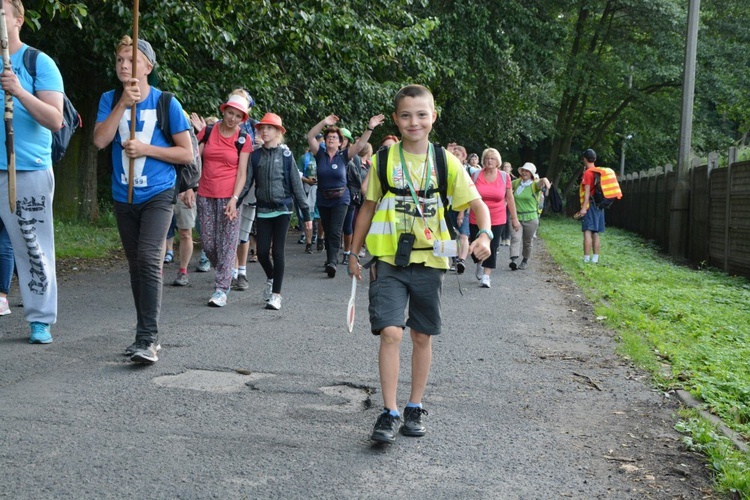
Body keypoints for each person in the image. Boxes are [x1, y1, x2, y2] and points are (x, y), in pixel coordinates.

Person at [347, 84, 492, 444]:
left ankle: (414, 405)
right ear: (396, 119)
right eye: (407, 115)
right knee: (392, 331)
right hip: (389, 260)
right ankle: (390, 410)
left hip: (430, 261)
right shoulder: (383, 160)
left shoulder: (447, 162)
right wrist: (353, 252)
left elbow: (477, 206)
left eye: (422, 114)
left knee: (422, 335)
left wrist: (485, 234)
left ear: (433, 117)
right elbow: (366, 208)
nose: (415, 122)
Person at [94, 36, 193, 363]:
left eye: (131, 60)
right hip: (124, 194)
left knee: (150, 258)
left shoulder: (167, 103)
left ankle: (148, 340)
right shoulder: (110, 99)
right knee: (136, 263)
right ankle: (143, 334)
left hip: (158, 194)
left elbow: (186, 153)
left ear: (148, 67)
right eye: (120, 60)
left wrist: (147, 149)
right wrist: (122, 104)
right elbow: (99, 140)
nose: (124, 65)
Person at [0, 0, 64, 344]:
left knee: (32, 246)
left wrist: (18, 90)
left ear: (18, 20)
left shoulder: (37, 62)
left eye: (1, 12)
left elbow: (55, 119)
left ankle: (40, 320)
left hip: (26, 170)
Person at [227, 113, 311, 310]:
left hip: (283, 209)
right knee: (262, 253)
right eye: (262, 128)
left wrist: (306, 215)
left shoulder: (287, 156)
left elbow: (297, 187)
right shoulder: (255, 156)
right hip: (263, 209)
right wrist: (235, 203)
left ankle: (276, 295)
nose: (264, 131)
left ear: (279, 132)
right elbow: (247, 183)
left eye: (269, 128)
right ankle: (272, 278)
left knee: (278, 252)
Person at [306, 113, 384, 278]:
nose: (331, 139)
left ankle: (332, 262)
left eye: (335, 137)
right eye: (329, 137)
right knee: (327, 230)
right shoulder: (320, 155)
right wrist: (324, 122)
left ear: (340, 142)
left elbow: (361, 143)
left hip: (341, 199)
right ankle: (330, 259)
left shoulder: (344, 156)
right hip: (323, 198)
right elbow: (311, 135)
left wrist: (370, 127)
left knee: (335, 231)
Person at [195, 91, 253, 307]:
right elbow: (194, 160)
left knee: (228, 244)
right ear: (224, 111)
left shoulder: (243, 139)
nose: (233, 119)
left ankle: (221, 289)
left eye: (238, 116)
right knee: (209, 244)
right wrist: (189, 188)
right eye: (230, 113)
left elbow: (242, 174)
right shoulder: (208, 132)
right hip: (205, 194)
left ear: (243, 119)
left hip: (229, 198)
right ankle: (226, 270)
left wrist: (235, 199)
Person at [469, 148, 519, 287]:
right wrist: (462, 213)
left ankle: (486, 276)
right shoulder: (475, 175)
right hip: (476, 216)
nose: (489, 161)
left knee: (492, 245)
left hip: (497, 217)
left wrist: (514, 219)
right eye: (487, 158)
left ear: (498, 161)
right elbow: (469, 195)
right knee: (475, 245)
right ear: (483, 160)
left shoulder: (504, 176)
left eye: (493, 158)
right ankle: (479, 262)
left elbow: (509, 198)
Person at [508, 163, 550, 270]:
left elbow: (540, 183)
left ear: (531, 173)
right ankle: (513, 259)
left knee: (527, 241)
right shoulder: (516, 183)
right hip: (516, 217)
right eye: (523, 170)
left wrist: (544, 180)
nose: (524, 173)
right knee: (515, 238)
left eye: (527, 171)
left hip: (531, 218)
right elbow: (505, 186)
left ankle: (525, 260)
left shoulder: (534, 185)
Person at [577, 148, 605, 263]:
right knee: (596, 232)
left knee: (587, 231)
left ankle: (586, 258)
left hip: (590, 205)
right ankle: (595, 258)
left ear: (584, 159)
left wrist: (583, 208)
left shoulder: (588, 173)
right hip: (600, 205)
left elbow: (587, 191)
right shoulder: (599, 172)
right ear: (595, 159)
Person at [499, 161, 515, 246]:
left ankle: (507, 238)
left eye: (508, 166)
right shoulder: (500, 177)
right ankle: (502, 238)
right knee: (502, 220)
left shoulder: (514, 179)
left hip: (509, 201)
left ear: (511, 168)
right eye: (504, 166)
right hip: (500, 201)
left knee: (508, 219)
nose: (506, 168)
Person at [0, 226, 13, 316]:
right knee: (15, 254)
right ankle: (29, 292)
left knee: (4, 247)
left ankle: (2, 298)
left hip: (15, 213)